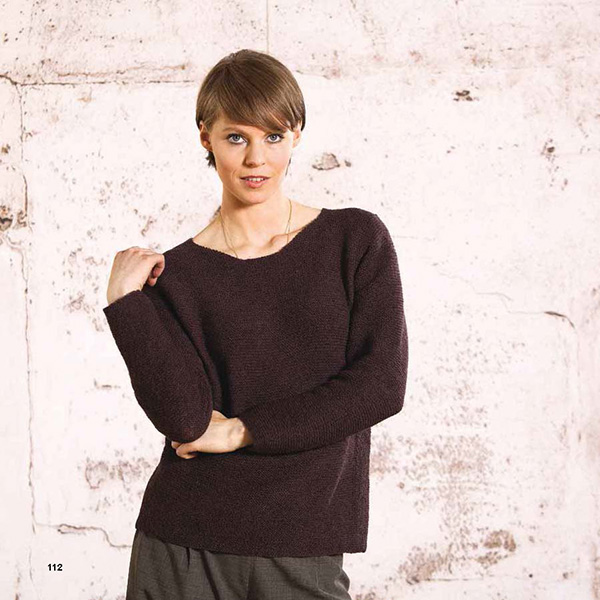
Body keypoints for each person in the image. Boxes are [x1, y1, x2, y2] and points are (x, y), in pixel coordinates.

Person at [103, 49, 409, 600]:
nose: (255, 158)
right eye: (235, 137)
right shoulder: (175, 274)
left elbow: (380, 386)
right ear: (206, 138)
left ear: (296, 135)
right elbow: (183, 420)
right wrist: (126, 302)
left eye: (273, 136)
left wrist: (242, 430)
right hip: (182, 544)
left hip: (302, 542)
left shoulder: (354, 240)